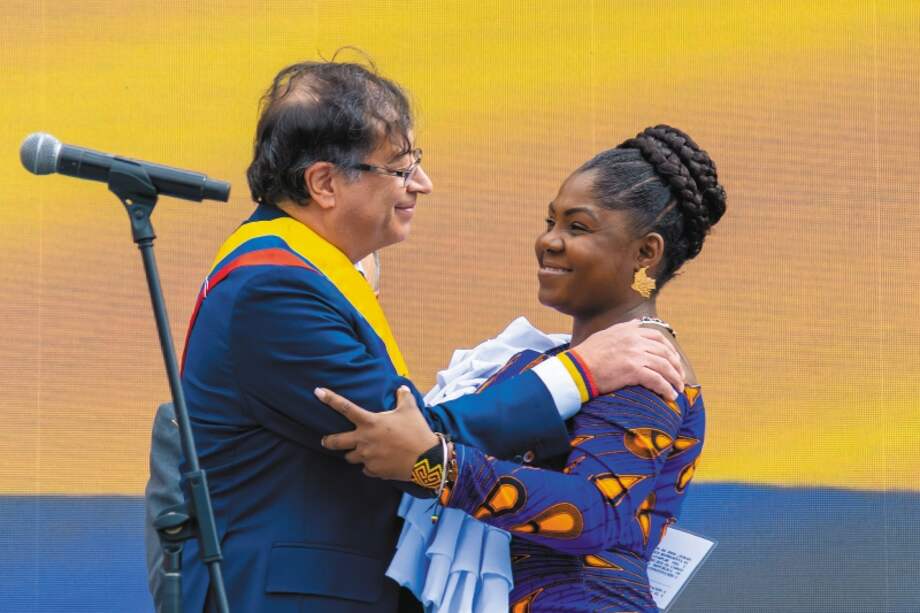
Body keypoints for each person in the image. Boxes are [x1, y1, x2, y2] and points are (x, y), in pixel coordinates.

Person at [165, 59, 687, 613]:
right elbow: (407, 437)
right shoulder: (273, 290)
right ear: (323, 183)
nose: (422, 184)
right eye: (400, 167)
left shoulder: (305, 272)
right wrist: (576, 374)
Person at [318, 125, 726, 612]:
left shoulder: (646, 364)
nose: (548, 241)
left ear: (646, 253)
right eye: (550, 222)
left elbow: (601, 511)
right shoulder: (572, 358)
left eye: (578, 227)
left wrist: (440, 468)